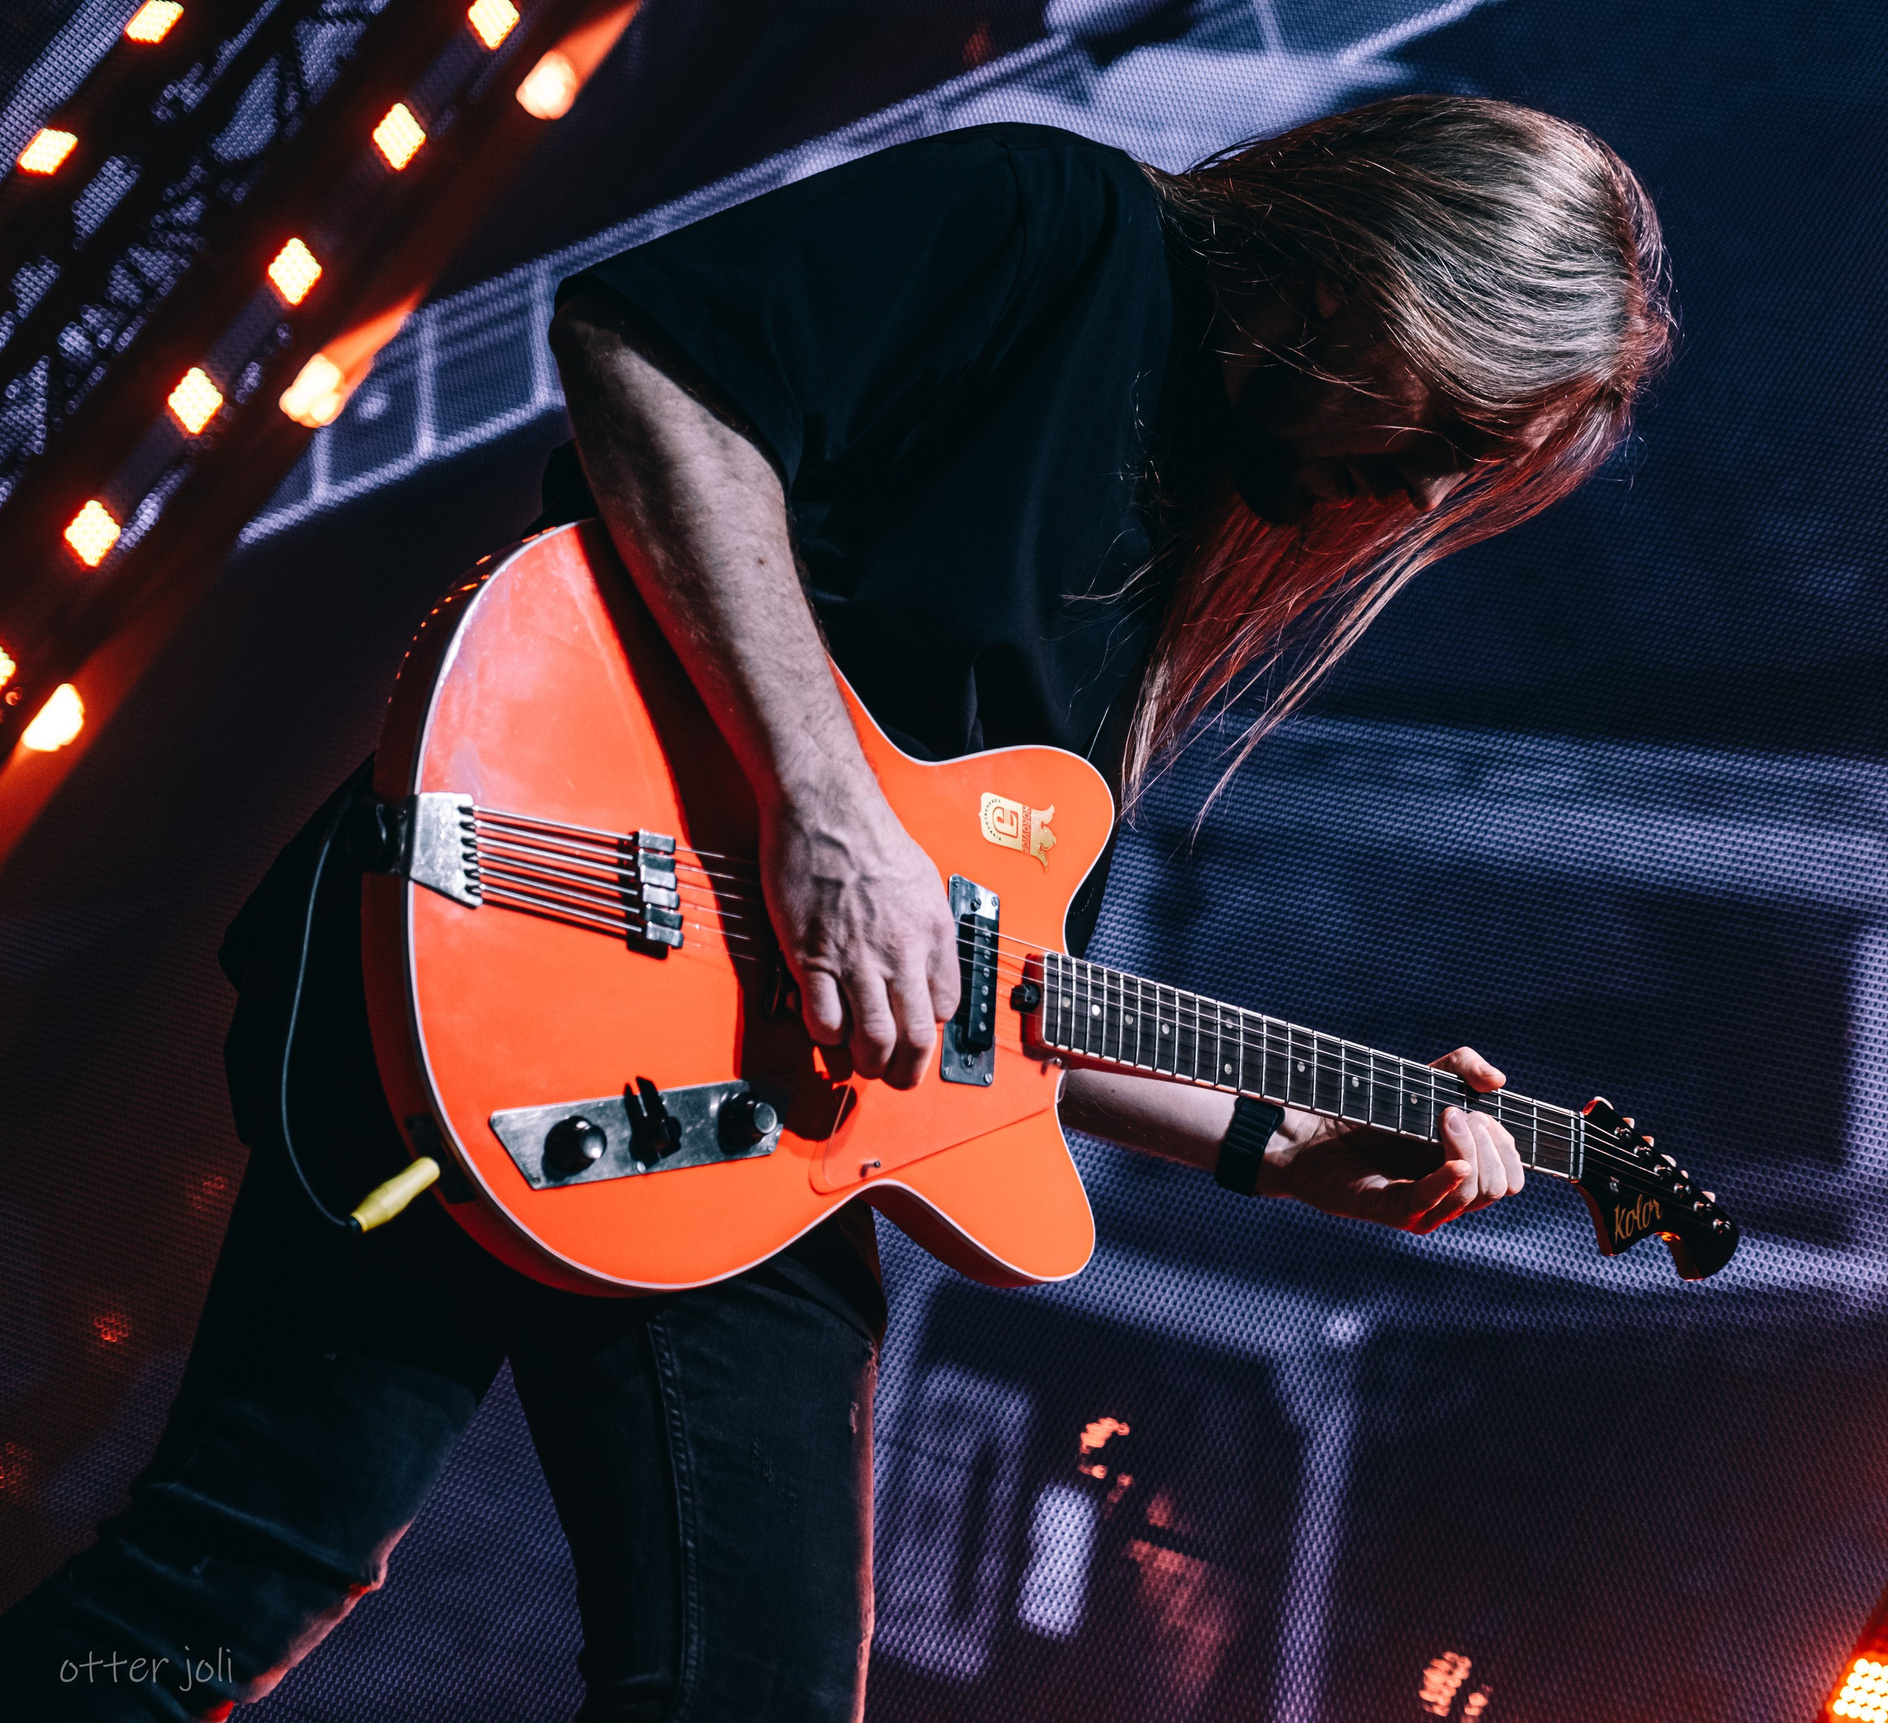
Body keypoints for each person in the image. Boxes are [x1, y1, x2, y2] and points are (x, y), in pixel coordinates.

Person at [0, 95, 1672, 1722]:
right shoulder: (1056, 224)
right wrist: (825, 807)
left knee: (358, 1619)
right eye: (1448, 429)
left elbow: (983, 1005)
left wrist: (1287, 1157)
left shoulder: (1165, 529)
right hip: (485, 951)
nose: (1427, 491)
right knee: (274, 1590)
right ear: (1361, 285)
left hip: (730, 1113)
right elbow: (648, 354)